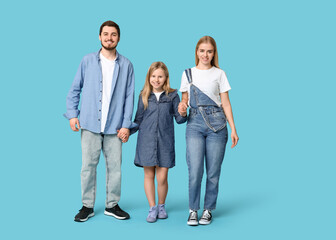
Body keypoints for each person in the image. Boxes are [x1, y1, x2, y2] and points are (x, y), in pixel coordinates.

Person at [64, 20, 135, 222]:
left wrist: (126, 125)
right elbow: (74, 89)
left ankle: (112, 205)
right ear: (99, 36)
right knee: (88, 166)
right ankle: (87, 206)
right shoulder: (87, 61)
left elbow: (129, 97)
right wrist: (72, 114)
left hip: (115, 127)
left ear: (118, 38)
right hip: (89, 123)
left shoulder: (127, 65)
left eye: (113, 34)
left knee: (115, 167)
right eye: (105, 34)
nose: (109, 38)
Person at [178, 36, 239, 226]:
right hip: (194, 123)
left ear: (214, 53)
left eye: (209, 51)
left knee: (213, 171)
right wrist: (181, 106)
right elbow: (184, 101)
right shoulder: (188, 74)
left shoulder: (220, 74)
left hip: (218, 125)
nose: (205, 54)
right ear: (197, 51)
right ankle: (193, 210)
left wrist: (234, 129)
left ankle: (207, 210)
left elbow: (226, 103)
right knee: (195, 169)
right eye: (202, 50)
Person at [130, 62, 187, 223]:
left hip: (165, 141)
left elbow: (180, 120)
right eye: (153, 76)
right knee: (148, 175)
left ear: (166, 78)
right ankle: (152, 207)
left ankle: (162, 206)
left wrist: (183, 112)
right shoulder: (143, 95)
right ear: (149, 77)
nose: (156, 79)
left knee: (162, 177)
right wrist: (127, 131)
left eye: (160, 76)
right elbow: (138, 120)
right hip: (146, 142)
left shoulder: (172, 96)